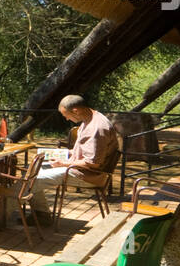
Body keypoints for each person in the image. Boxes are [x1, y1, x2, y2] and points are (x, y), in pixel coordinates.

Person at [30, 94, 119, 224]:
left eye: (66, 115)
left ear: (75, 110)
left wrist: (63, 163)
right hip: (80, 169)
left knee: (31, 179)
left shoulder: (97, 128)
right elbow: (85, 152)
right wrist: (61, 153)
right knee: (30, 172)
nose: (66, 119)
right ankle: (41, 215)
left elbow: (93, 163)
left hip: (88, 175)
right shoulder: (89, 120)